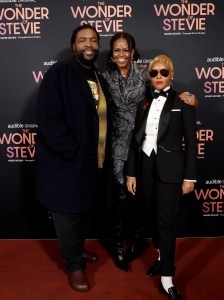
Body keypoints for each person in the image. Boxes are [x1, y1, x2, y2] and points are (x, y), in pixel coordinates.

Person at [103, 32, 198, 272]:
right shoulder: (104, 78)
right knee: (123, 197)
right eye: (117, 50)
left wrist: (192, 101)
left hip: (144, 144)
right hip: (117, 143)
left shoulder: (145, 77)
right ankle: (118, 244)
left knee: (146, 203)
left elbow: (167, 96)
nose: (122, 54)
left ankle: (139, 242)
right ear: (112, 54)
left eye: (126, 50)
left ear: (132, 53)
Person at [35, 24, 112, 292]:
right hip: (66, 162)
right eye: (82, 40)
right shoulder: (60, 73)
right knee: (66, 213)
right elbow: (48, 119)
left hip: (92, 162)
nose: (88, 44)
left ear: (99, 46)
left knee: (81, 211)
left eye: (93, 40)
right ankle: (73, 264)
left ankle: (77, 250)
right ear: (73, 46)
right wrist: (72, 151)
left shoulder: (98, 75)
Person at [127, 54, 197, 300]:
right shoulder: (142, 105)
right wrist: (132, 172)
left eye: (163, 72)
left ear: (172, 74)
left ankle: (167, 279)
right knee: (152, 218)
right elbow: (136, 142)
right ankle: (160, 258)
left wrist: (190, 177)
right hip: (145, 170)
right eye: (154, 73)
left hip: (171, 173)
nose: (158, 77)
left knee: (166, 223)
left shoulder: (184, 101)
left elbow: (191, 141)